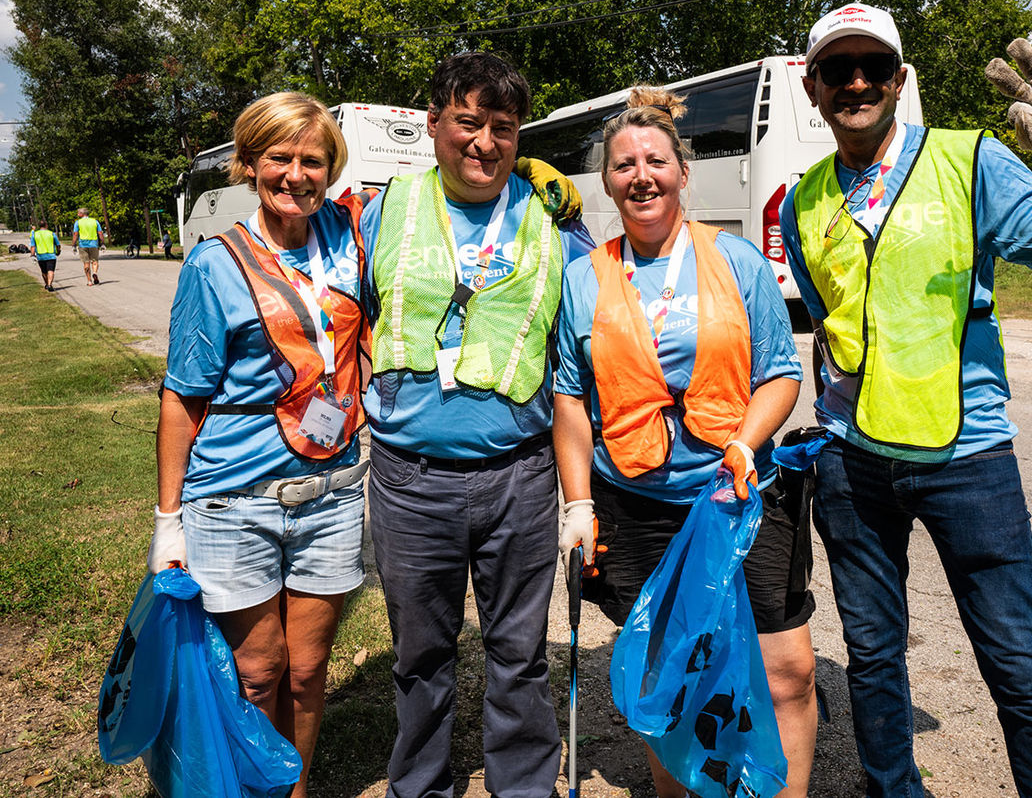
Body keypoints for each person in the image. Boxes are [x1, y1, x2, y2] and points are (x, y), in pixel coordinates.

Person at [778, 2, 1032, 798]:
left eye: (874, 66)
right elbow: (832, 330)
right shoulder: (799, 202)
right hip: (851, 463)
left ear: (901, 81)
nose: (858, 82)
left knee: (1016, 662)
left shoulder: (969, 161)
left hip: (969, 462)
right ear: (814, 88)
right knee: (872, 657)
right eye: (838, 69)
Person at [554, 87, 818, 798]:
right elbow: (571, 398)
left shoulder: (737, 260)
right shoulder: (583, 278)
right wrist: (578, 503)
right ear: (606, 180)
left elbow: (781, 373)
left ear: (682, 171)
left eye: (655, 161)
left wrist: (745, 442)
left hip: (739, 495)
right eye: (623, 165)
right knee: (670, 677)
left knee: (786, 669)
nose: (641, 176)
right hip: (635, 505)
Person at [359, 51, 590, 798]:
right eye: (468, 121)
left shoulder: (551, 217)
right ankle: (419, 786)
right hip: (408, 479)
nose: (484, 142)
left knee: (518, 651)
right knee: (419, 654)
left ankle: (524, 786)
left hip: (519, 475)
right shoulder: (382, 209)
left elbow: (601, 316)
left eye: (503, 126)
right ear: (433, 122)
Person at [147, 91, 375, 798]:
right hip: (232, 501)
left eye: (314, 160)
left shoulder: (351, 238)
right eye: (280, 157)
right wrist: (167, 522)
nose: (297, 175)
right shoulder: (215, 264)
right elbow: (183, 398)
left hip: (331, 496)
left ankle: (293, 789)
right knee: (258, 671)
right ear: (249, 164)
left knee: (308, 674)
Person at [72, 207, 107, 285]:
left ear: (82, 214)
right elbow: (100, 233)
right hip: (94, 244)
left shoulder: (78, 222)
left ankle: (89, 281)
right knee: (95, 261)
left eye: (78, 213)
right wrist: (103, 243)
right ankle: (94, 272)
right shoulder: (95, 221)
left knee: (86, 263)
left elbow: (75, 234)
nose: (77, 214)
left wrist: (73, 245)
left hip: (83, 245)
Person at [29, 220, 61, 291]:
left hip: (40, 256)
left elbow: (33, 246)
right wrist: (58, 251)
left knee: (44, 271)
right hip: (51, 255)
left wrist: (32, 255)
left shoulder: (35, 234)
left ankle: (47, 284)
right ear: (46, 225)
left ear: (39, 226)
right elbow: (57, 244)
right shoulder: (51, 233)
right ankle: (49, 284)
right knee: (51, 270)